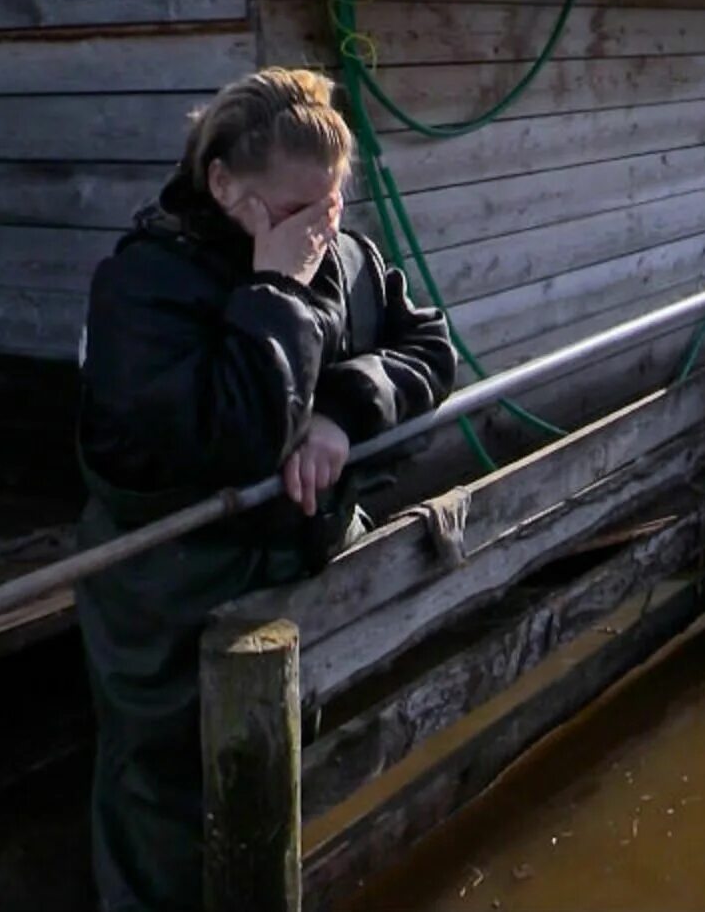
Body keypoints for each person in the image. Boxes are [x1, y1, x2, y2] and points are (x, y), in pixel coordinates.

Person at [73, 68, 457, 911]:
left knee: (296, 777)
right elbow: (234, 438)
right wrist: (277, 288)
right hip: (170, 599)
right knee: (166, 803)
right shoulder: (144, 288)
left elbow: (431, 349)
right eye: (292, 212)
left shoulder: (345, 255)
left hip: (300, 571)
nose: (317, 234)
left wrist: (347, 411)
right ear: (222, 184)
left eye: (330, 208)